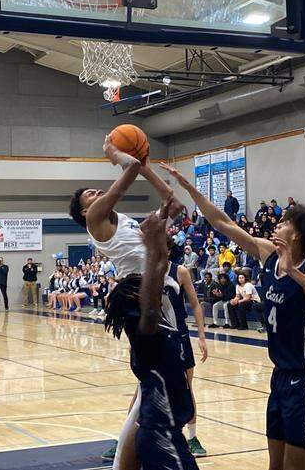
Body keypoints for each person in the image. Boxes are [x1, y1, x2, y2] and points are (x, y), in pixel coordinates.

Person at [161, 162, 305, 470]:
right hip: (280, 376)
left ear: (297, 235)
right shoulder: (267, 253)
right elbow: (222, 222)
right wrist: (189, 187)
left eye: (284, 223)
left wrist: (294, 273)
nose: (277, 225)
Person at [103, 201, 199, 470]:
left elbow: (155, 280)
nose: (151, 289)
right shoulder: (146, 334)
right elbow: (154, 281)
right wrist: (154, 245)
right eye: (142, 289)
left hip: (164, 434)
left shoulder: (156, 329)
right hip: (162, 438)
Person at [168, 258, 209, 457]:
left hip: (179, 335)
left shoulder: (180, 271)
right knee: (142, 388)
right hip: (154, 335)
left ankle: (192, 437)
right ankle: (126, 438)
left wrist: (201, 337)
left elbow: (195, 304)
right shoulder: (144, 269)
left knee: (186, 386)